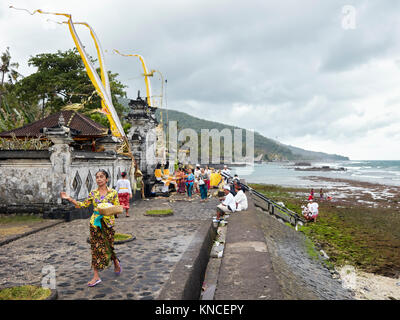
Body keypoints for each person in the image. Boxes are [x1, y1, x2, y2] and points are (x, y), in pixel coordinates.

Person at [60, 169, 121, 287]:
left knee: (109, 246)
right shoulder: (93, 193)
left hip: (108, 223)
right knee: (95, 249)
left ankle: (116, 262)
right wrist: (69, 198)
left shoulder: (113, 193)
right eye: (97, 177)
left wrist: (112, 209)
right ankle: (96, 276)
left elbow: (117, 207)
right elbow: (82, 205)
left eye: (101, 177)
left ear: (106, 179)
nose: (99, 179)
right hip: (95, 224)